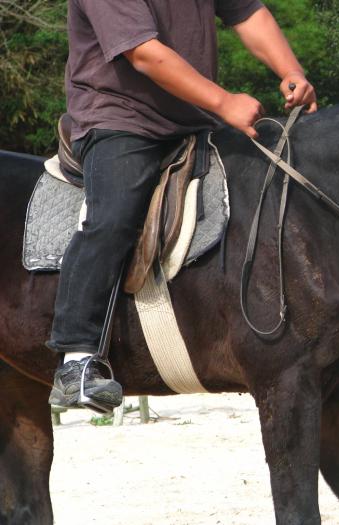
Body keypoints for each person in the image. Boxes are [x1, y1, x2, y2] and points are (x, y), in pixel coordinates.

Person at [47, 0, 317, 409]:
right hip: (121, 118)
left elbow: (247, 12)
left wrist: (291, 71)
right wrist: (225, 102)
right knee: (114, 216)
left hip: (194, 117)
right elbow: (144, 54)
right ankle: (77, 359)